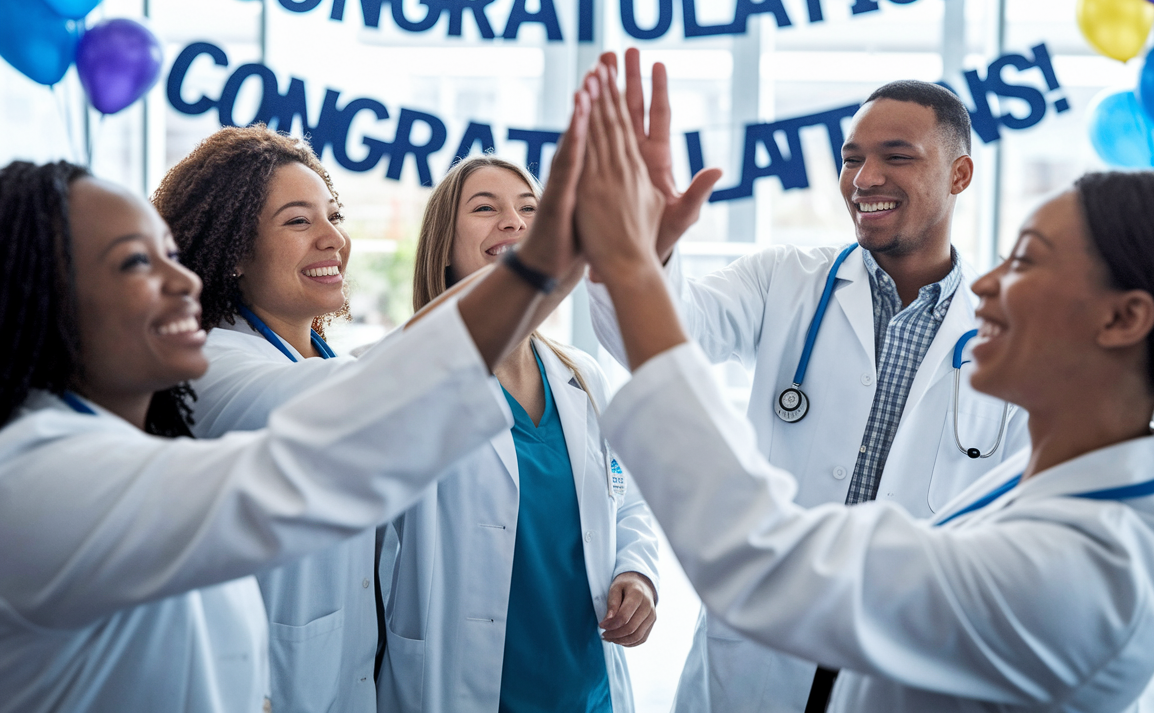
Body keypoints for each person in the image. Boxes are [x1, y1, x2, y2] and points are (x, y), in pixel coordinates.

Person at [570, 75, 1154, 713]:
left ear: (1123, 318)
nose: (989, 282)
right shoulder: (1067, 486)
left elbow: (767, 563)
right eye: (851, 157)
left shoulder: (1078, 566)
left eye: (1027, 258)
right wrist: (641, 267)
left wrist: (629, 261)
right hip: (766, 665)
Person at [0, 87, 592, 712]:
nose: (181, 280)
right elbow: (328, 443)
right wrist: (533, 267)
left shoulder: (110, 440)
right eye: (134, 263)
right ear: (47, 292)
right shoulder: (41, 475)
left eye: (172, 255)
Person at [588, 51, 1031, 711]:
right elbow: (648, 339)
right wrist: (641, 253)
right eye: (852, 157)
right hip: (769, 642)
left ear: (959, 173)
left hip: (910, 647)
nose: (864, 177)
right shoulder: (784, 280)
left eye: (897, 156)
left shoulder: (1015, 333)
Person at [377, 154, 660, 713]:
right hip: (463, 686)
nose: (514, 222)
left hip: (585, 686)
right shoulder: (406, 377)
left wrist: (638, 572)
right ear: (444, 246)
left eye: (531, 209)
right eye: (486, 208)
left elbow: (625, 499)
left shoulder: (582, 376)